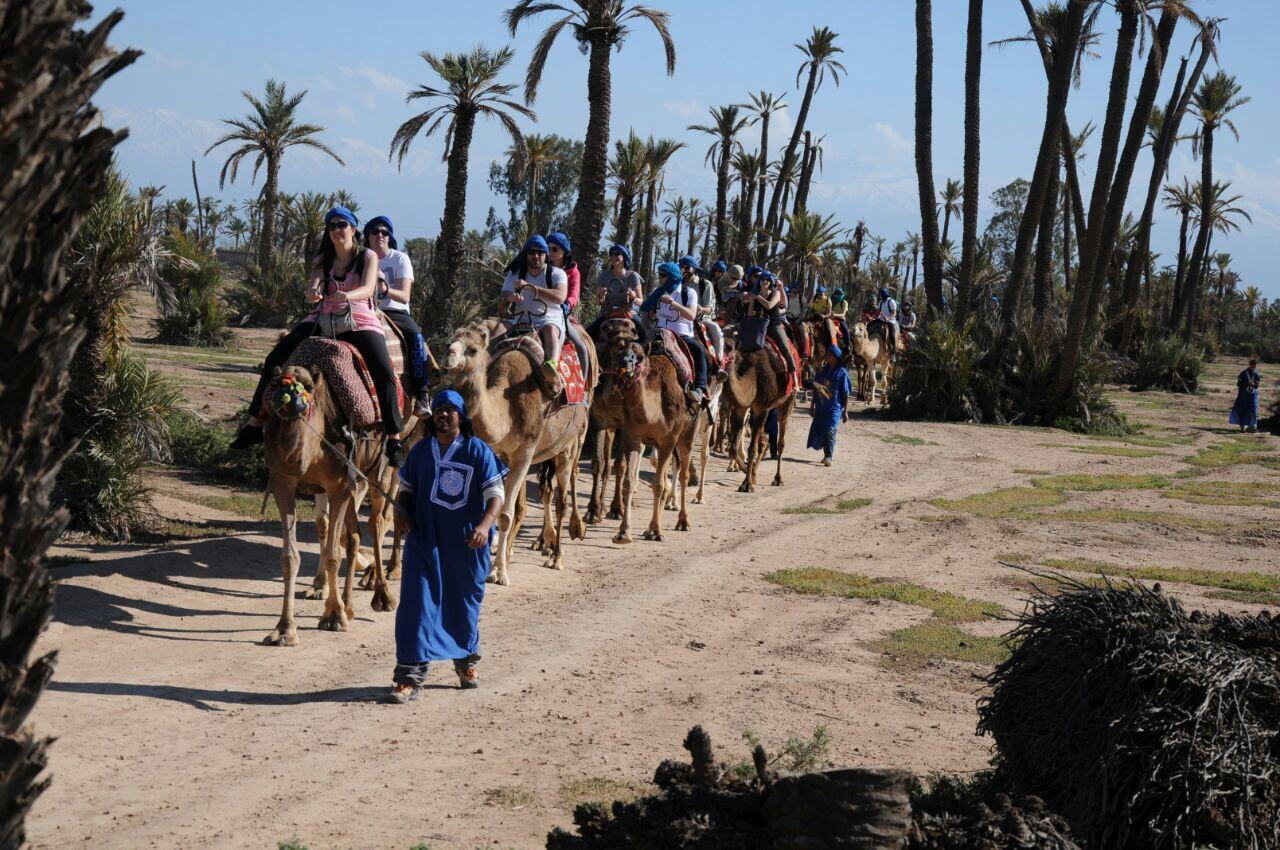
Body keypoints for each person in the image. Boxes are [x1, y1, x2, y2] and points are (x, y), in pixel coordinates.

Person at [231, 206, 406, 466]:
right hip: (322, 319)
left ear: (353, 229)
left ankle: (394, 438)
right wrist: (313, 292)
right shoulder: (322, 260)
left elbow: (369, 287)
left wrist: (349, 295)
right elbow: (313, 284)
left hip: (359, 319)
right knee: (274, 359)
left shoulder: (368, 256)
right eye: (332, 226)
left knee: (384, 371)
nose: (337, 230)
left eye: (342, 225)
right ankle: (255, 424)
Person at [387, 389, 506, 703]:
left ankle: (466, 662)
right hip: (425, 540)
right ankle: (409, 678)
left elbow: (496, 495)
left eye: (450, 410)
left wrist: (484, 525)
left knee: (463, 604)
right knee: (416, 605)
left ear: (461, 416)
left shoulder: (478, 451)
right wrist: (400, 511)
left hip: (466, 544)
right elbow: (406, 491)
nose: (443, 414)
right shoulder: (421, 451)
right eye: (438, 409)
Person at [365, 216, 431, 416]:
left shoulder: (400, 258)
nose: (380, 235)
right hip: (365, 309)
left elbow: (404, 296)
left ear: (390, 237)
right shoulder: (361, 259)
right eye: (375, 232)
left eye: (385, 232)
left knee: (415, 337)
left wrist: (384, 288)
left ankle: (422, 393)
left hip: (395, 311)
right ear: (368, 237)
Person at [494, 235, 568, 385]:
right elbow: (501, 305)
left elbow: (560, 297)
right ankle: (483, 364)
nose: (536, 256)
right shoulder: (514, 274)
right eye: (532, 252)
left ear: (546, 255)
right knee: (498, 328)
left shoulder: (556, 273)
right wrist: (510, 298)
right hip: (520, 319)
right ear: (526, 254)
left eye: (540, 252)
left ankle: (551, 366)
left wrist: (530, 287)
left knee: (549, 330)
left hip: (548, 319)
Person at [642, 261, 711, 405]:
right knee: (635, 347)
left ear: (672, 277)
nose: (659, 278)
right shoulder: (658, 292)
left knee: (699, 350)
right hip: (659, 333)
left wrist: (673, 303)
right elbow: (645, 309)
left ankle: (700, 388)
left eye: (663, 275)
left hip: (682, 335)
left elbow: (691, 315)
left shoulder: (688, 293)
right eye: (659, 275)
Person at [548, 232, 589, 374]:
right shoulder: (542, 268)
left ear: (564, 252)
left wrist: (566, 305)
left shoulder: (574, 273)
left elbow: (573, 295)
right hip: (540, 311)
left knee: (582, 348)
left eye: (554, 249)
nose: (550, 252)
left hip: (562, 313)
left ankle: (583, 390)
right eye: (548, 248)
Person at [744, 271, 797, 373]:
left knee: (786, 350)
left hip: (774, 325)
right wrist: (751, 301)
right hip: (759, 326)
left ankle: (794, 379)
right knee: (744, 345)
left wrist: (758, 298)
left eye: (768, 280)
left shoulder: (776, 293)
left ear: (771, 282)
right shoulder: (756, 294)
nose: (765, 281)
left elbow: (769, 306)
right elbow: (750, 313)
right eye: (763, 279)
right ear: (759, 282)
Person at [806, 345, 851, 467]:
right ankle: (826, 454)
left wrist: (845, 411)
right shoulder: (822, 371)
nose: (827, 356)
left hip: (835, 408)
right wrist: (812, 405)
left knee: (830, 430)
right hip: (821, 407)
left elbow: (846, 393)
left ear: (836, 357)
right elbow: (816, 389)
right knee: (822, 430)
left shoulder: (842, 373)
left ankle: (828, 456)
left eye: (830, 355)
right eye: (827, 354)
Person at [589, 243, 645, 340]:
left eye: (617, 254)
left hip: (629, 313)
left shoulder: (633, 276)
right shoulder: (603, 276)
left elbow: (641, 300)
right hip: (607, 314)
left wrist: (633, 297)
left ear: (624, 257)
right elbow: (598, 302)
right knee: (587, 335)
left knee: (646, 335)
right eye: (612, 255)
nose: (613, 257)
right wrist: (601, 297)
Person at [683, 255, 723, 363]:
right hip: (682, 319)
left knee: (716, 330)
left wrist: (699, 309)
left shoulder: (705, 284)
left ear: (694, 269)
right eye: (681, 267)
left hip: (702, 319)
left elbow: (710, 308)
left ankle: (719, 363)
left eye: (686, 268)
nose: (683, 270)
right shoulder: (679, 284)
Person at [1230, 358, 1262, 433]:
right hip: (1243, 395)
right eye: (1253, 365)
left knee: (1253, 410)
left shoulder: (1256, 374)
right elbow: (1238, 383)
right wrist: (1246, 385)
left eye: (1255, 365)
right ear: (1250, 365)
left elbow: (1257, 386)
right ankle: (1243, 426)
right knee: (1243, 409)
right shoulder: (1243, 373)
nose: (1254, 366)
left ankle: (1253, 426)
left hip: (1253, 395)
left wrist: (1253, 385)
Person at [876, 287, 899, 359]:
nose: (880, 296)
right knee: (870, 326)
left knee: (892, 335)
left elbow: (894, 313)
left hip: (890, 321)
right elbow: (880, 312)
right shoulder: (881, 302)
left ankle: (893, 353)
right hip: (881, 320)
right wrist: (876, 317)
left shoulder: (891, 301)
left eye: (881, 294)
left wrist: (888, 318)